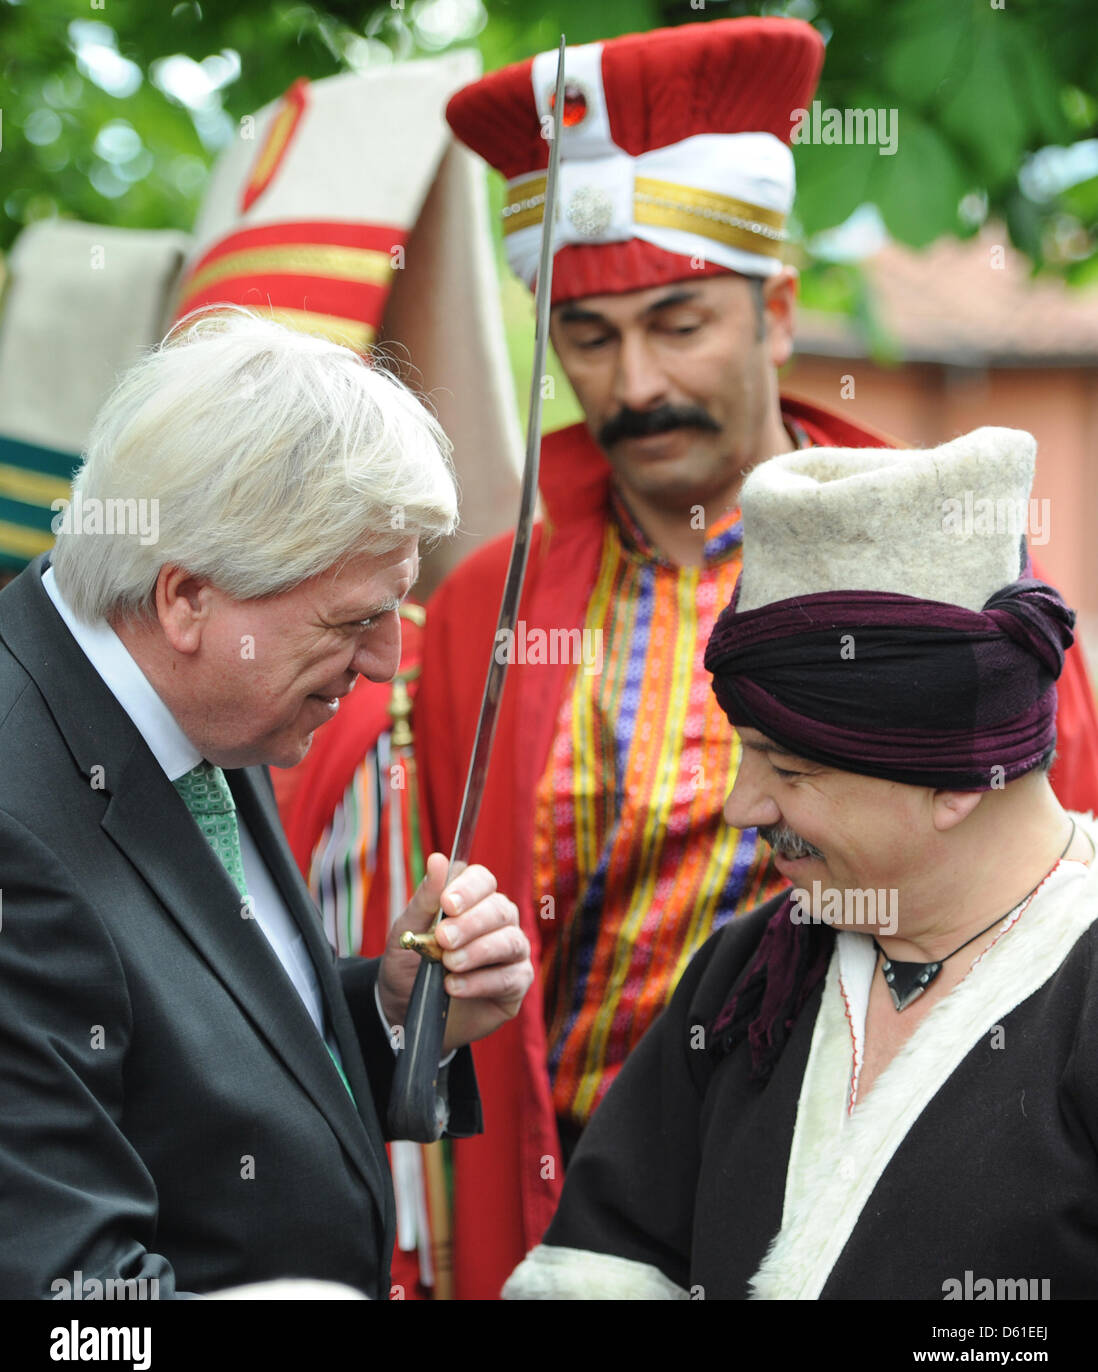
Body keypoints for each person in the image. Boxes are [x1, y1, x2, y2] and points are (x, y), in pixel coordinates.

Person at [280, 17, 1098, 1297]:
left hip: (894, 1180)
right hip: (577, 1205)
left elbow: (1036, 908)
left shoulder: (950, 585)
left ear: (776, 310)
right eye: (592, 336)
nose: (636, 379)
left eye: (679, 322)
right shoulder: (492, 609)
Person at [0, 309, 532, 1300]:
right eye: (355, 622)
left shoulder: (189, 696)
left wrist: (385, 1014)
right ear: (186, 599)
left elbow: (194, 1047)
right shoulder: (15, 828)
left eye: (397, 612)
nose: (386, 664)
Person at [504, 425, 1098, 1299]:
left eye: (790, 767)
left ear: (956, 770)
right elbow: (613, 1258)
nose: (745, 806)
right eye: (745, 756)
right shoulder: (750, 973)